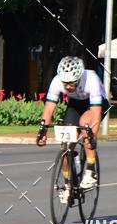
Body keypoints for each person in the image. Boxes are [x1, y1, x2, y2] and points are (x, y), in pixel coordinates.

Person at [36, 56, 109, 198]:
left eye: (71, 83)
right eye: (65, 83)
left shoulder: (91, 79)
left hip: (96, 103)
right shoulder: (57, 81)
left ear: (79, 77)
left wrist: (91, 137)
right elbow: (49, 108)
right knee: (66, 144)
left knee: (85, 125)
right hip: (75, 104)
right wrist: (42, 131)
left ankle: (90, 171)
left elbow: (95, 113)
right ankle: (68, 184)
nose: (68, 87)